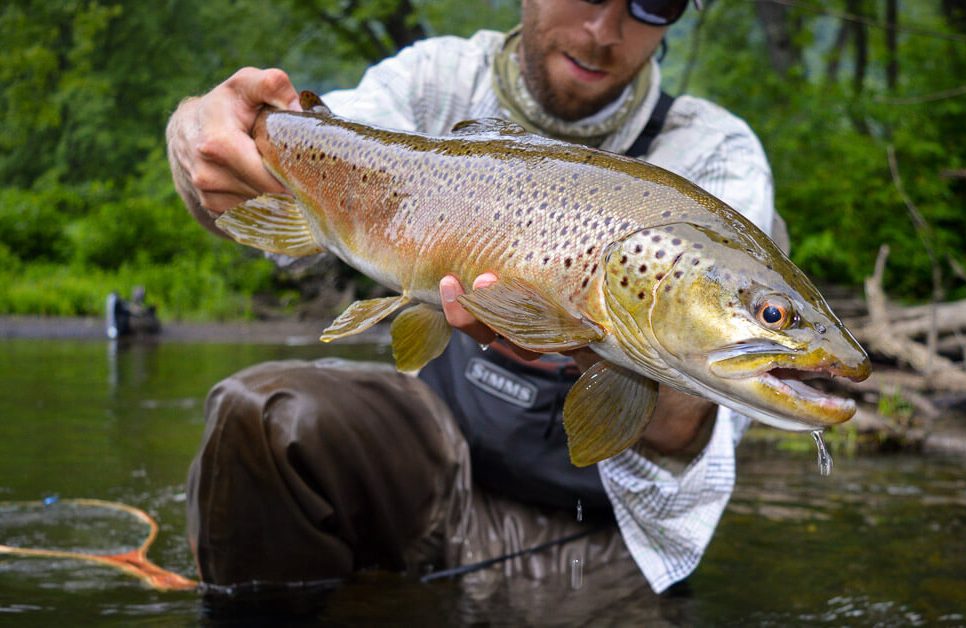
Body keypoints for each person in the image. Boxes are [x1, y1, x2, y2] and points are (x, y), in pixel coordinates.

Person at [167, 0, 786, 614]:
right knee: (257, 415)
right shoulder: (436, 83)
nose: (603, 32)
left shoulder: (714, 157)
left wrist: (599, 343)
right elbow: (260, 179)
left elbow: (686, 432)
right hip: (432, 464)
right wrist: (197, 137)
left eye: (652, 3)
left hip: (600, 535)